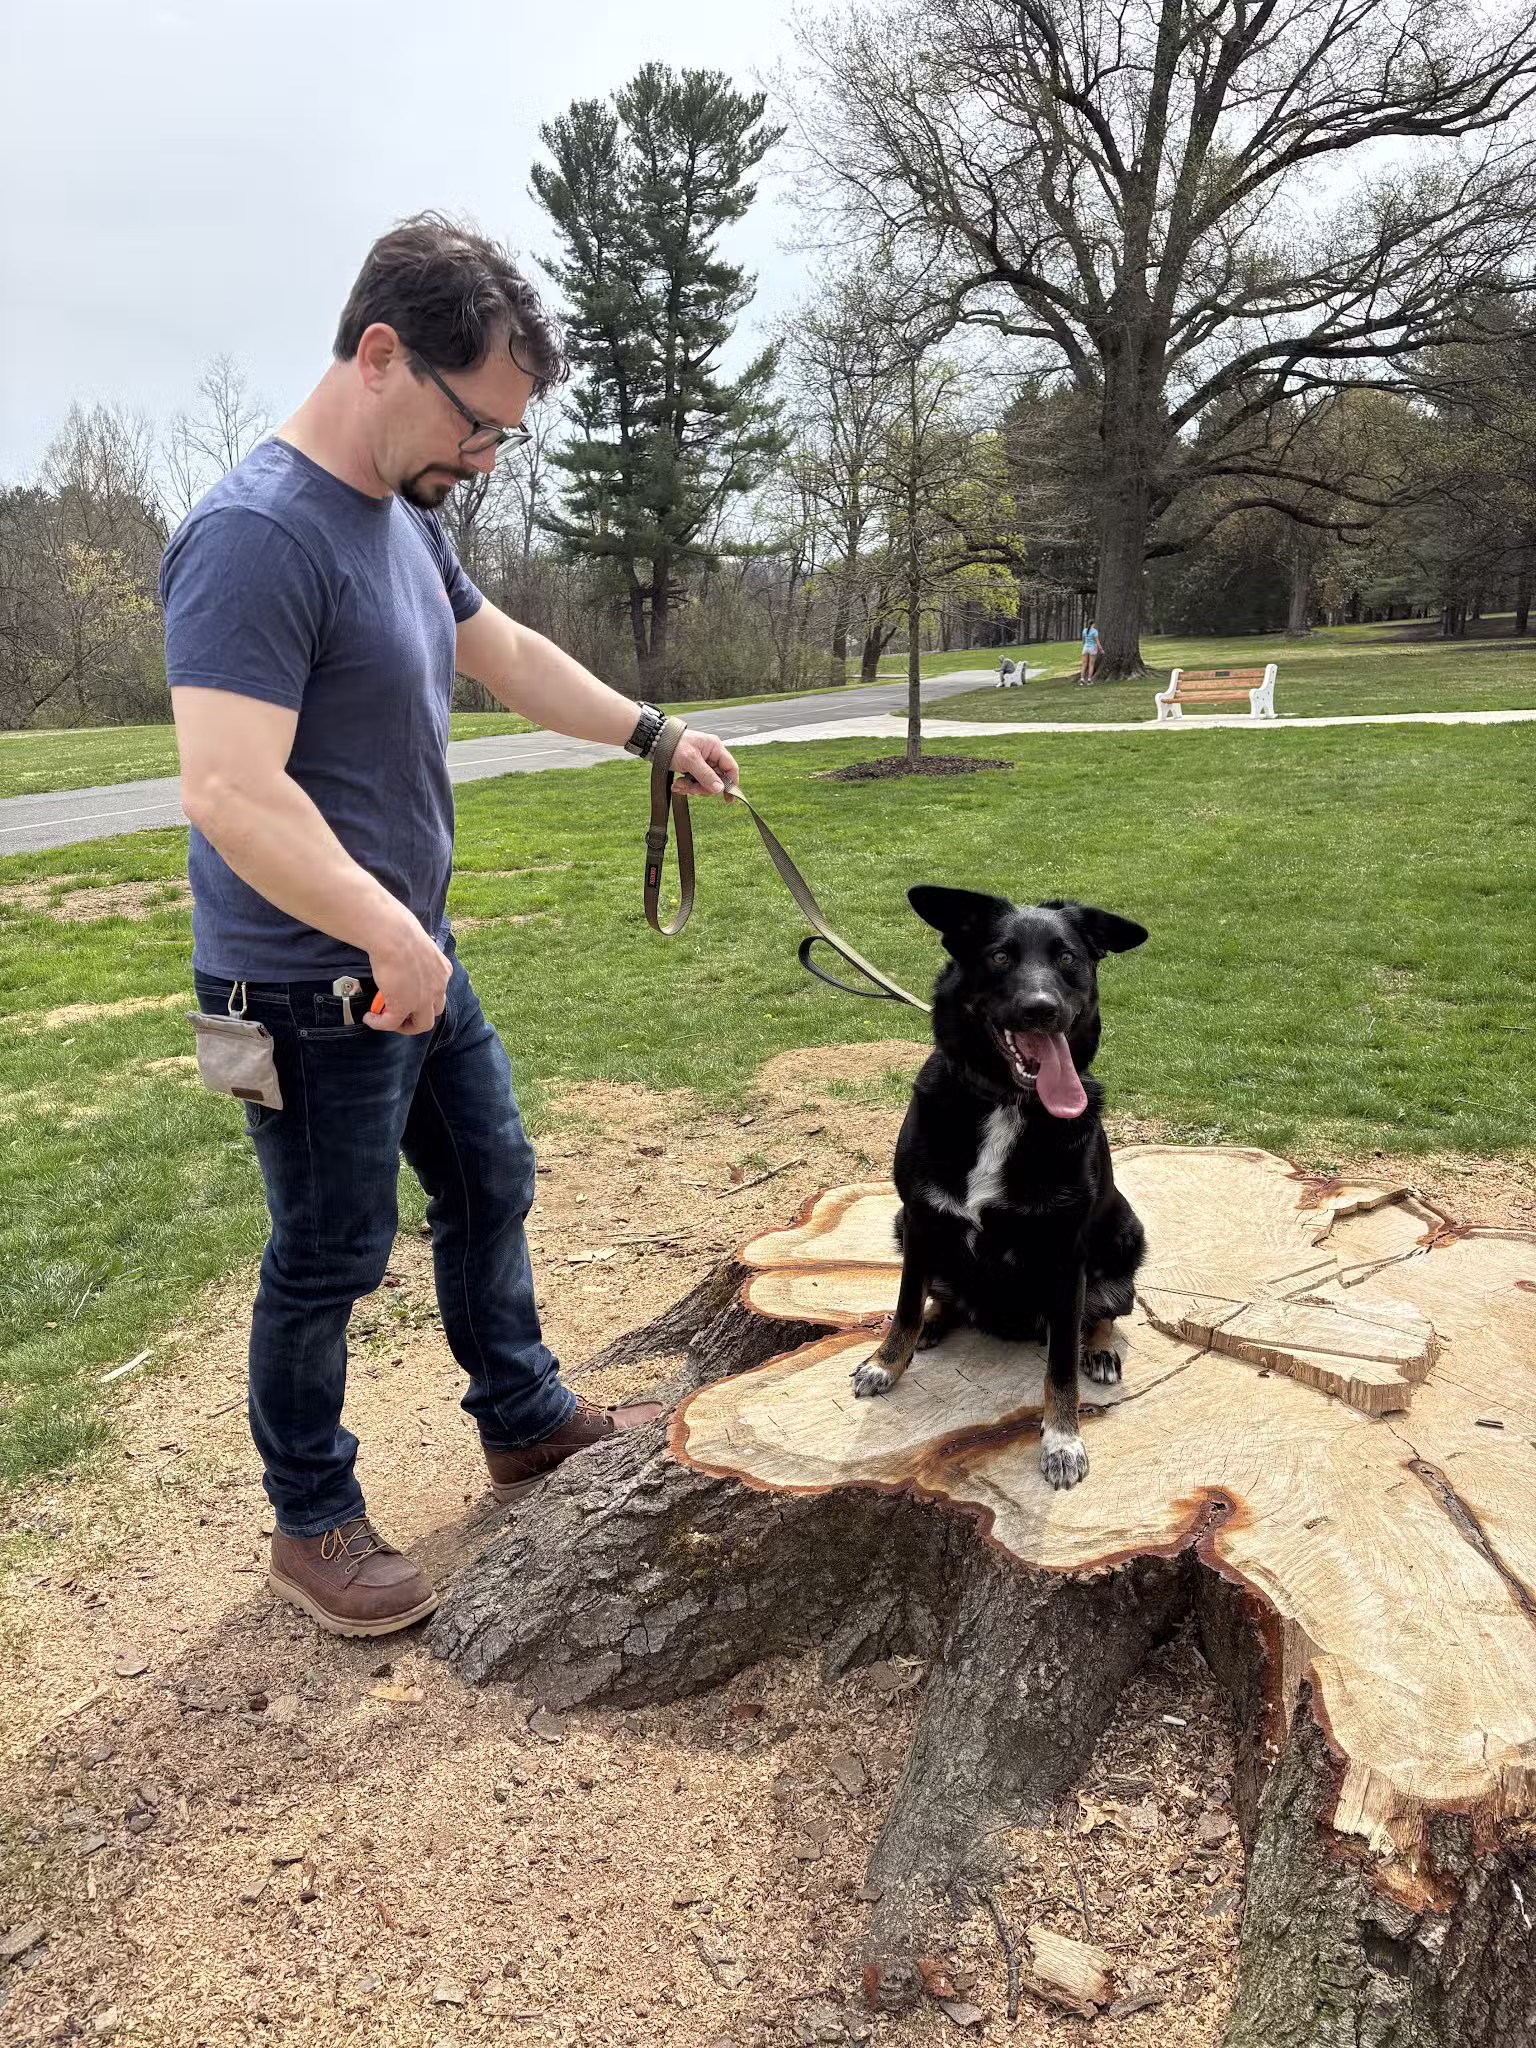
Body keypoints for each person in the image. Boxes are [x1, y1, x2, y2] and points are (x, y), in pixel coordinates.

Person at [162, 214, 740, 1638]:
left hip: (408, 957)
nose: (483, 463)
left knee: (491, 1180)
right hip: (307, 987)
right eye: (478, 425)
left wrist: (649, 730)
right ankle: (311, 1520)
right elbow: (232, 791)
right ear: (380, 355)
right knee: (330, 1252)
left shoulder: (401, 522)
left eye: (502, 440)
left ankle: (523, 1415)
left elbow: (511, 656)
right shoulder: (251, 536)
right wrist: (382, 934)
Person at [1080, 618, 1101, 683]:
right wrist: (1100, 649)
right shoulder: (1094, 631)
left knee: (1084, 664)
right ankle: (1089, 679)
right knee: (1091, 664)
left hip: (1085, 648)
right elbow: (1097, 641)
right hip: (1092, 648)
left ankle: (1082, 679)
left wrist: (1083, 646)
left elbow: (1083, 640)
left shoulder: (1084, 630)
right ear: (1093, 624)